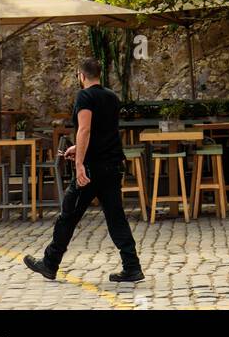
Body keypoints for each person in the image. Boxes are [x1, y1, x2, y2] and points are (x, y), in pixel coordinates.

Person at [24, 57, 143, 285]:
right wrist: (77, 149)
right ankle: (132, 267)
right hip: (112, 165)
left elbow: (86, 129)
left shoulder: (84, 96)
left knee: (68, 215)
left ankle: (50, 263)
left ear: (81, 75)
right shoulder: (111, 97)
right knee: (116, 218)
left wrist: (79, 163)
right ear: (99, 73)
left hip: (91, 169)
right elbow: (103, 133)